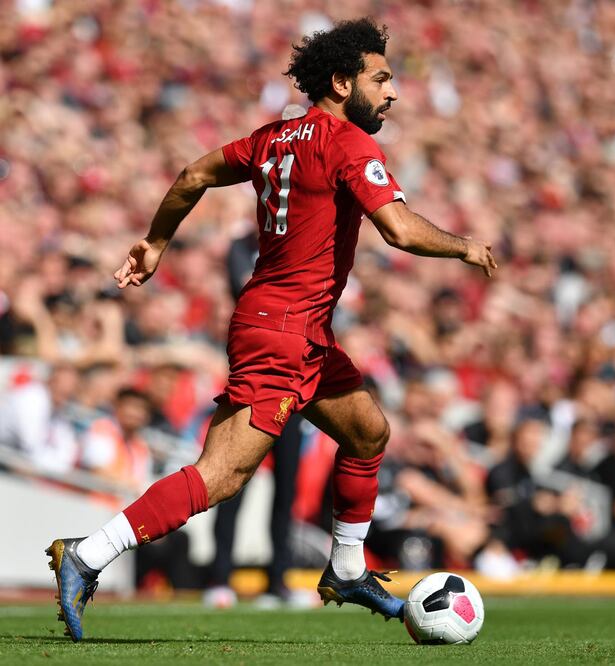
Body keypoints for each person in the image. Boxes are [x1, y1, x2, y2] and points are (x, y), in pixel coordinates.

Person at [45, 18, 496, 642]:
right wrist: (466, 246)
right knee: (222, 475)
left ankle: (344, 569)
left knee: (368, 431)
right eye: (382, 79)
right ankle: (88, 555)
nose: (393, 93)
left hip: (297, 328)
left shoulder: (273, 138)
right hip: (282, 330)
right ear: (342, 82)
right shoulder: (347, 143)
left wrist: (154, 243)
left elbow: (192, 174)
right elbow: (400, 229)